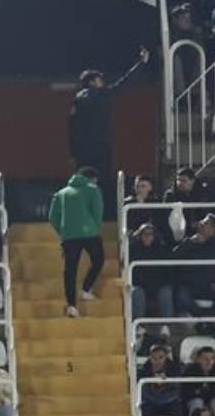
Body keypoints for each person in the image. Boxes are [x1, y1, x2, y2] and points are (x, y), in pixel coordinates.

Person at [68, 46, 150, 196]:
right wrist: (141, 64)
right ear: (92, 82)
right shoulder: (102, 95)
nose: (103, 82)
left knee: (82, 179)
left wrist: (73, 153)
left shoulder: (78, 99)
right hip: (101, 145)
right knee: (101, 180)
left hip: (82, 149)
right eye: (99, 80)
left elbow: (72, 128)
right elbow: (124, 83)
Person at [48, 167, 105, 318]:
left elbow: (52, 217)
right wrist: (95, 227)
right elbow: (97, 211)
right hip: (90, 233)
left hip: (69, 236)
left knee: (70, 271)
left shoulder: (61, 193)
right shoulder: (93, 189)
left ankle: (71, 306)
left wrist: (63, 232)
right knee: (98, 260)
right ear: (92, 178)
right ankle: (86, 289)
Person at [173, 213, 215, 317]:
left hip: (212, 286)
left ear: (213, 230)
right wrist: (189, 243)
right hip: (191, 285)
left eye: (205, 223)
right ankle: (200, 317)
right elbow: (174, 257)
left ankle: (211, 319)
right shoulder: (190, 241)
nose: (200, 223)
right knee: (181, 295)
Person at [129, 222, 175, 320]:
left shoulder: (161, 250)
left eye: (150, 234)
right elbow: (133, 273)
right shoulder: (133, 250)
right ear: (140, 235)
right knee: (137, 292)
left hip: (157, 284)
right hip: (140, 285)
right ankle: (138, 325)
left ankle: (166, 325)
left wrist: (156, 283)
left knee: (166, 291)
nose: (148, 237)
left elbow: (166, 271)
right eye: (145, 234)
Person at [138, 343, 183, 416]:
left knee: (179, 409)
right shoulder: (144, 370)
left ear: (166, 357)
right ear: (150, 358)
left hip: (170, 402)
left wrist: (167, 383)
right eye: (154, 358)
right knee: (144, 409)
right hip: (151, 402)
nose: (157, 361)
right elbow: (144, 393)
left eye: (161, 357)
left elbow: (177, 390)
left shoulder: (174, 369)